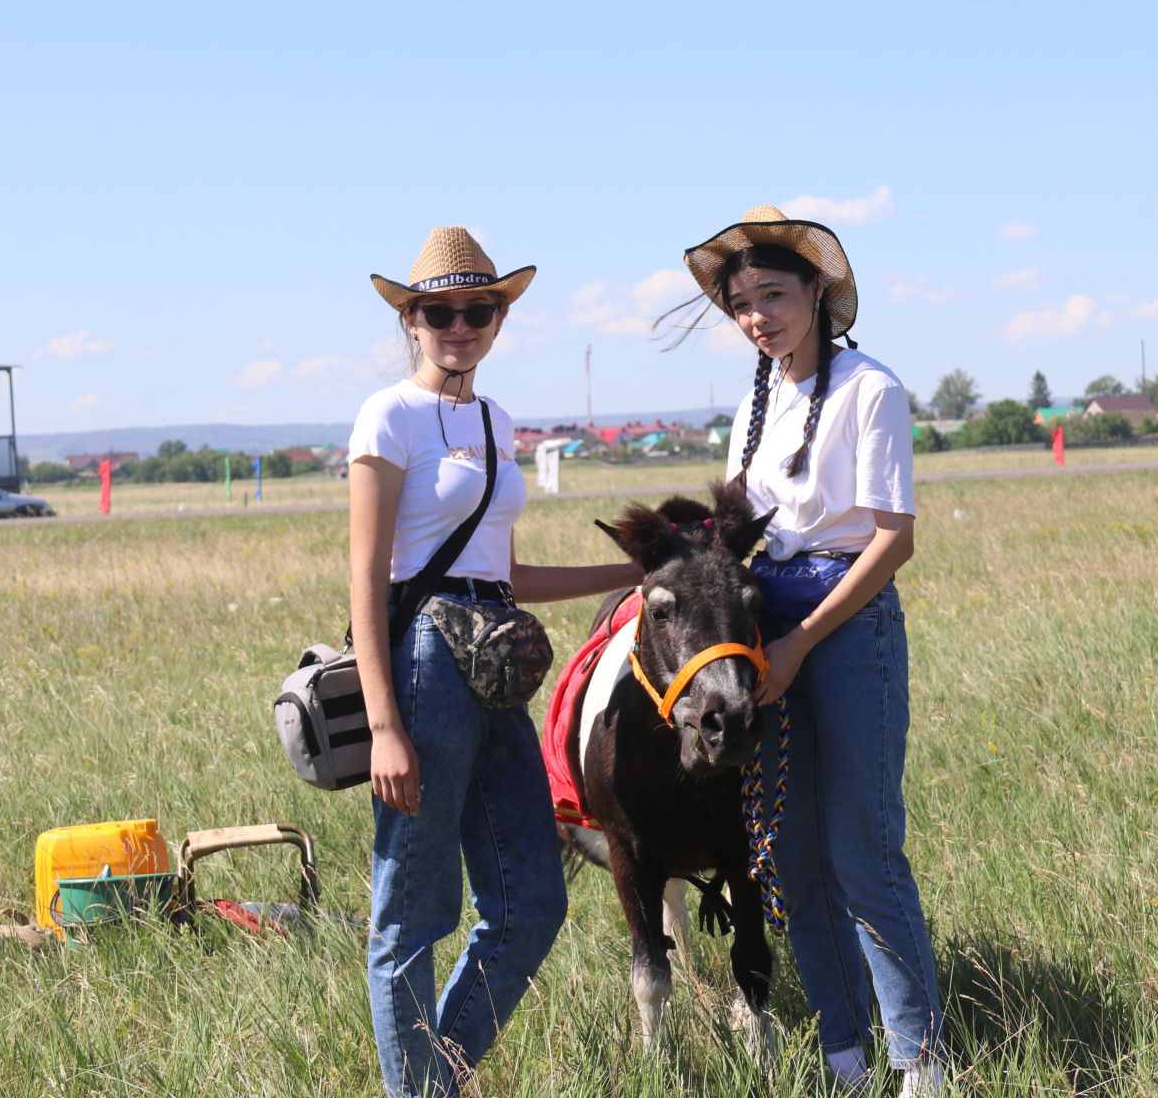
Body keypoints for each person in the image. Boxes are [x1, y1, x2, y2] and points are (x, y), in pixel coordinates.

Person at [351, 226, 640, 1098]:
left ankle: (435, 1080)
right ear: (411, 318)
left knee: (531, 905)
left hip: (496, 663)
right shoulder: (388, 416)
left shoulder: (494, 419)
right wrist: (384, 725)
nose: (460, 324)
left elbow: (505, 571)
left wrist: (636, 571)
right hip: (425, 667)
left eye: (480, 309)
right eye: (440, 310)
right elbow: (366, 577)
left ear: (500, 318)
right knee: (412, 910)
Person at [680, 204, 945, 1096]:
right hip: (765, 629)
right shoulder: (757, 407)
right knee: (790, 853)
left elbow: (892, 539)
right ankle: (846, 1057)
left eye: (773, 295)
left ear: (819, 293)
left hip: (844, 624)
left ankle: (923, 1062)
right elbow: (738, 532)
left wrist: (799, 643)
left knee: (864, 848)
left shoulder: (872, 388)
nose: (757, 316)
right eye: (742, 303)